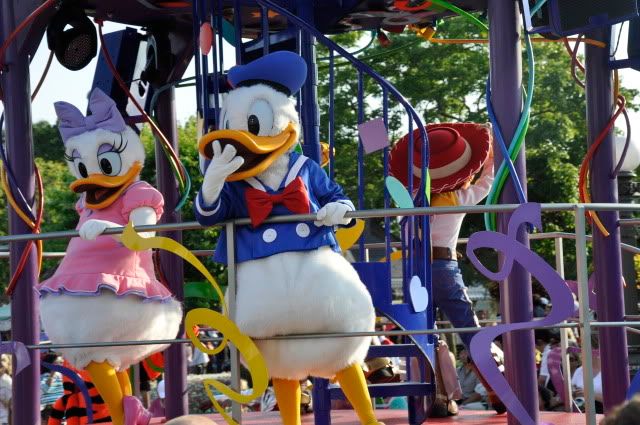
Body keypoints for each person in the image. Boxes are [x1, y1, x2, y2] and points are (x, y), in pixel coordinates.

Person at [390, 122, 505, 414]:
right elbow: (488, 181)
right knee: (468, 328)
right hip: (443, 267)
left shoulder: (410, 200)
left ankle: (438, 396)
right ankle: (496, 391)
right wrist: (490, 153)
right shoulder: (457, 198)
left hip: (415, 269)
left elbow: (396, 181)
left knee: (425, 331)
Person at [0, 355, 11, 425]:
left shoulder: (7, 381)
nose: (0, 363)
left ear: (8, 364)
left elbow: (11, 404)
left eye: (3, 360)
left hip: (3, 420)